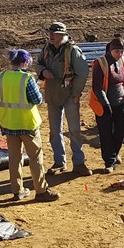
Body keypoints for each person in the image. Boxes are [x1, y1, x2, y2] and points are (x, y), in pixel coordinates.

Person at [0, 49, 58, 202]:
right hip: (27, 124)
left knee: (14, 159)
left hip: (8, 123)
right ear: (25, 62)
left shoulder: (1, 77)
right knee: (35, 158)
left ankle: (17, 191)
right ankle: (41, 190)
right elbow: (37, 100)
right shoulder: (27, 78)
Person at [35, 21, 90, 175]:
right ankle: (59, 162)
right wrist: (43, 71)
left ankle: (79, 163)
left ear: (62, 35)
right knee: (54, 131)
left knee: (74, 130)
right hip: (52, 95)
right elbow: (38, 64)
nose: (51, 36)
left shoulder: (73, 51)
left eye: (54, 34)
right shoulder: (46, 49)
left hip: (69, 95)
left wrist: (75, 94)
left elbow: (82, 73)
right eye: (50, 33)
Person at [89, 37, 124, 173]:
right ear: (110, 50)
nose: (119, 54)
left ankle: (114, 153)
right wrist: (106, 105)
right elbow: (97, 87)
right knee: (106, 133)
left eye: (122, 51)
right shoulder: (100, 63)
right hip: (103, 104)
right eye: (117, 51)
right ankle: (109, 162)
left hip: (120, 102)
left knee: (122, 128)